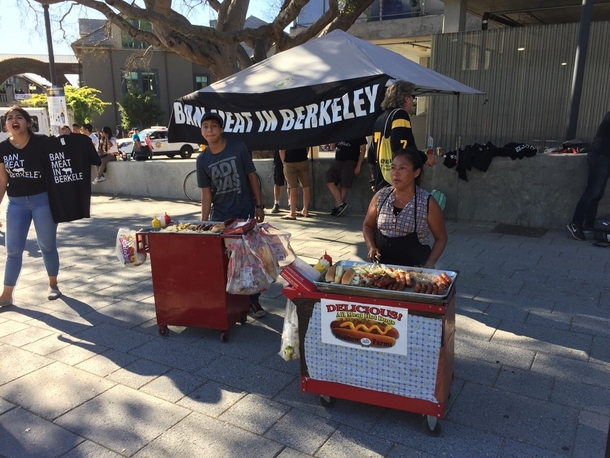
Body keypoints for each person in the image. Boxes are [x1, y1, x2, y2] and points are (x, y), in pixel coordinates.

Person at [196, 112, 267, 318]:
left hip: (244, 212)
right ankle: (231, 302)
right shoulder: (202, 159)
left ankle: (254, 302)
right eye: (206, 126)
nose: (210, 130)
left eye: (214, 126)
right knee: (227, 261)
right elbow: (206, 193)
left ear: (221, 129)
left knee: (250, 260)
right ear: (202, 131)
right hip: (221, 217)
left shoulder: (238, 148)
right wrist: (205, 221)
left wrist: (259, 205)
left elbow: (251, 177)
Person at [0, 106, 62, 306]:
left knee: (46, 246)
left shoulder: (42, 142)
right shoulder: (2, 148)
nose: (14, 120)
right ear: (6, 124)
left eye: (19, 117)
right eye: (10, 118)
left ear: (28, 122)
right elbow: (2, 180)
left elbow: (62, 161)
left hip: (42, 200)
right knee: (13, 251)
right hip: (16, 204)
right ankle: (7, 295)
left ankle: (53, 284)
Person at [363, 148, 447, 268]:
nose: (395, 173)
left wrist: (429, 264)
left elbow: (441, 238)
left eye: (402, 168)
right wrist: (371, 247)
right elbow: (368, 225)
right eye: (393, 168)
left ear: (416, 172)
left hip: (416, 269)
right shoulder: (381, 196)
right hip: (383, 270)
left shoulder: (427, 202)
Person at [367, 80, 436, 192]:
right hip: (398, 183)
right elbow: (401, 151)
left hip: (381, 183)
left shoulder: (380, 118)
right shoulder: (400, 115)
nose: (413, 99)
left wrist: (374, 180)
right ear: (406, 98)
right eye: (412, 96)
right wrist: (424, 157)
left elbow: (371, 154)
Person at [568, 110, 610, 241]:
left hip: (605, 157)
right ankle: (576, 224)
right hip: (600, 156)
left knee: (598, 194)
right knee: (592, 192)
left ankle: (589, 224)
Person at [326, 138, 367, 216]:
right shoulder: (341, 130)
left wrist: (358, 165)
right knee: (330, 181)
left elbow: (363, 149)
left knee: (343, 185)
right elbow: (333, 147)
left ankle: (337, 207)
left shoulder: (358, 132)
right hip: (338, 160)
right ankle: (341, 204)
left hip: (350, 161)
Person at [279, 146, 312, 219]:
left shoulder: (284, 134)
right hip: (303, 160)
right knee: (306, 186)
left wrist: (284, 163)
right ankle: (305, 210)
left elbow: (281, 150)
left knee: (292, 187)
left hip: (289, 161)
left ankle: (292, 213)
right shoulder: (301, 134)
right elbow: (307, 146)